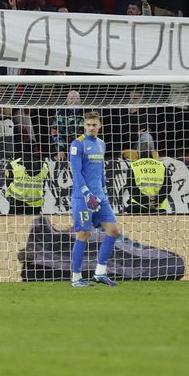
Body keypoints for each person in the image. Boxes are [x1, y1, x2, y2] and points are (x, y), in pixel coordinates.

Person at [68, 111, 122, 287]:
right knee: (83, 233)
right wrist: (87, 194)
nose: (91, 127)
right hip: (83, 198)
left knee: (113, 230)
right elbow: (76, 172)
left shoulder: (101, 144)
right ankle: (76, 278)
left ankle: (100, 273)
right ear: (84, 125)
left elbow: (100, 172)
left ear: (100, 126)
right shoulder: (78, 144)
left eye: (94, 125)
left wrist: (103, 191)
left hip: (100, 197)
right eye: (88, 125)